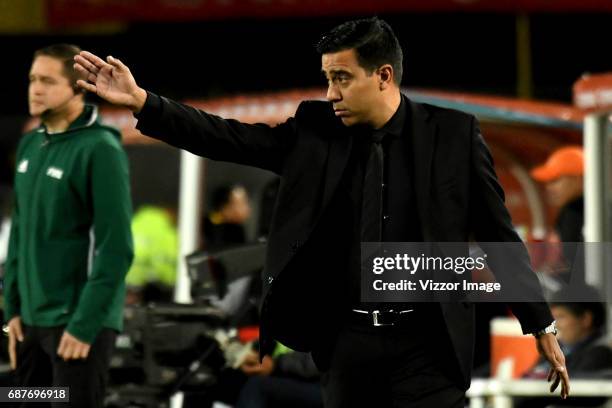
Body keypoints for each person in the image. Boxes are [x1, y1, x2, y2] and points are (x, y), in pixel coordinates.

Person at [74, 17, 569, 407]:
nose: (330, 92)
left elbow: (498, 233)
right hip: (347, 347)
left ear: (383, 76)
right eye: (327, 78)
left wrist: (540, 325)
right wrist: (144, 102)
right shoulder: (315, 129)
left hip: (429, 348)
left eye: (342, 78)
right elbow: (230, 137)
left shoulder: (454, 135)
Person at [3, 44, 134, 407]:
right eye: (32, 79)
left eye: (47, 80)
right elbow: (19, 232)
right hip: (29, 324)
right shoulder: (30, 145)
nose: (35, 89)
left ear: (78, 87)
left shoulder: (100, 149)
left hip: (76, 328)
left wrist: (85, 324)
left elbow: (116, 246)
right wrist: (12, 308)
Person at [531, 146, 585, 283]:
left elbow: (572, 269)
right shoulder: (583, 209)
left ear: (578, 178)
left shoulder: (574, 212)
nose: (549, 188)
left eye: (555, 180)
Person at [203, 184, 252, 250]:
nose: (247, 209)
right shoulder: (206, 225)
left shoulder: (238, 230)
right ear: (224, 207)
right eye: (242, 204)